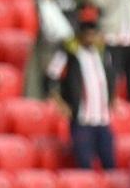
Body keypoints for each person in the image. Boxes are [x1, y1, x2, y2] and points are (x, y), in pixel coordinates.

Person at [49, 13, 115, 173]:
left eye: (94, 35)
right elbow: (51, 76)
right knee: (84, 164)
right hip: (82, 118)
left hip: (102, 118)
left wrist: (112, 98)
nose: (91, 38)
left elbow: (109, 78)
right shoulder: (69, 54)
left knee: (110, 164)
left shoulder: (103, 54)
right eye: (88, 35)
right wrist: (60, 102)